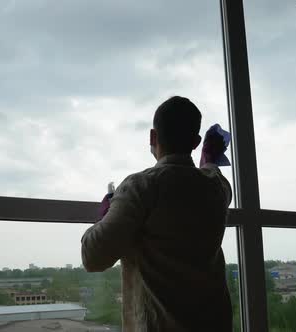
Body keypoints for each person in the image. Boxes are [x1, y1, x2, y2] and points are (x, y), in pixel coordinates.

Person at [81, 96, 233, 331]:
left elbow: (93, 258)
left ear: (153, 137)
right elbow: (210, 170)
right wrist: (209, 158)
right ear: (195, 142)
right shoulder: (217, 188)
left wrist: (104, 216)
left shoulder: (141, 187)